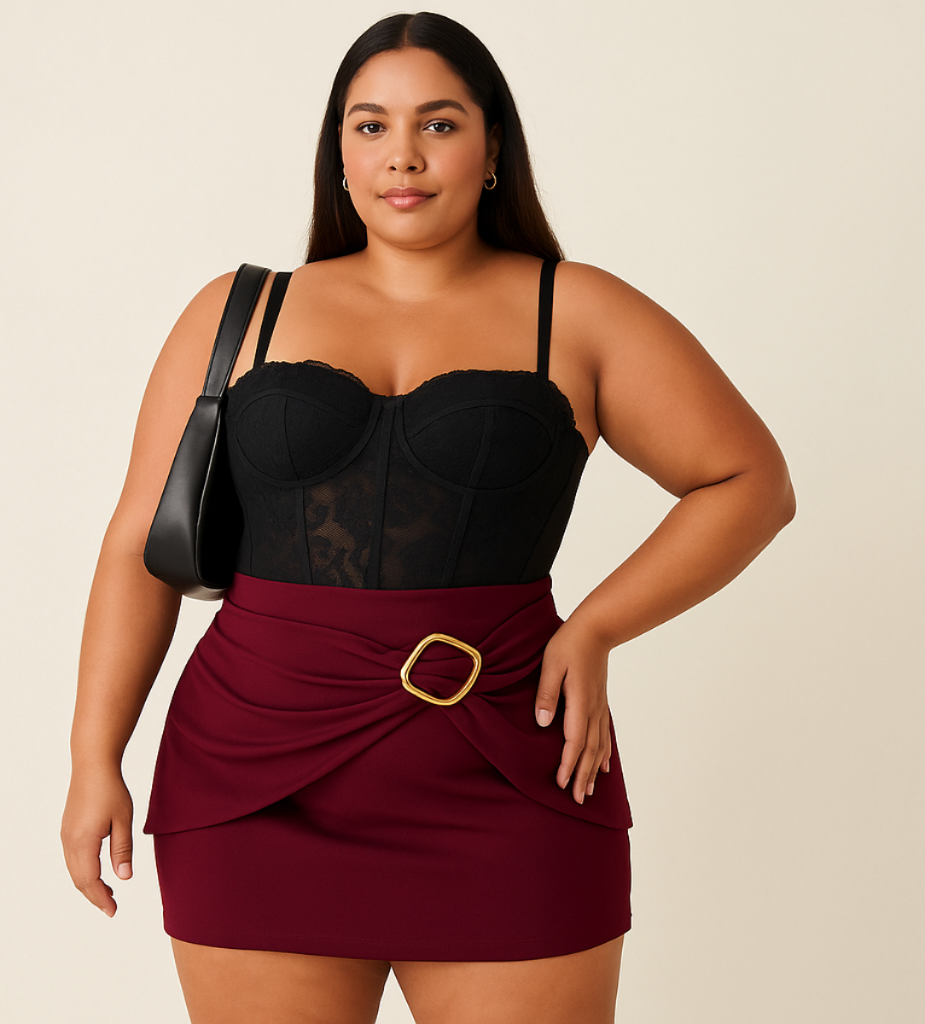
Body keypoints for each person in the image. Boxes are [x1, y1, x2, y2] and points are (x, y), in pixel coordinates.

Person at [61, 11, 795, 1024]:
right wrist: (93, 759)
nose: (401, 155)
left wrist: (596, 626)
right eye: (370, 126)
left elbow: (749, 480)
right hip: (251, 778)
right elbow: (134, 549)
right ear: (339, 152)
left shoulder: (579, 310)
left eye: (438, 124)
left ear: (493, 150)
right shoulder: (239, 311)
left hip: (510, 772)